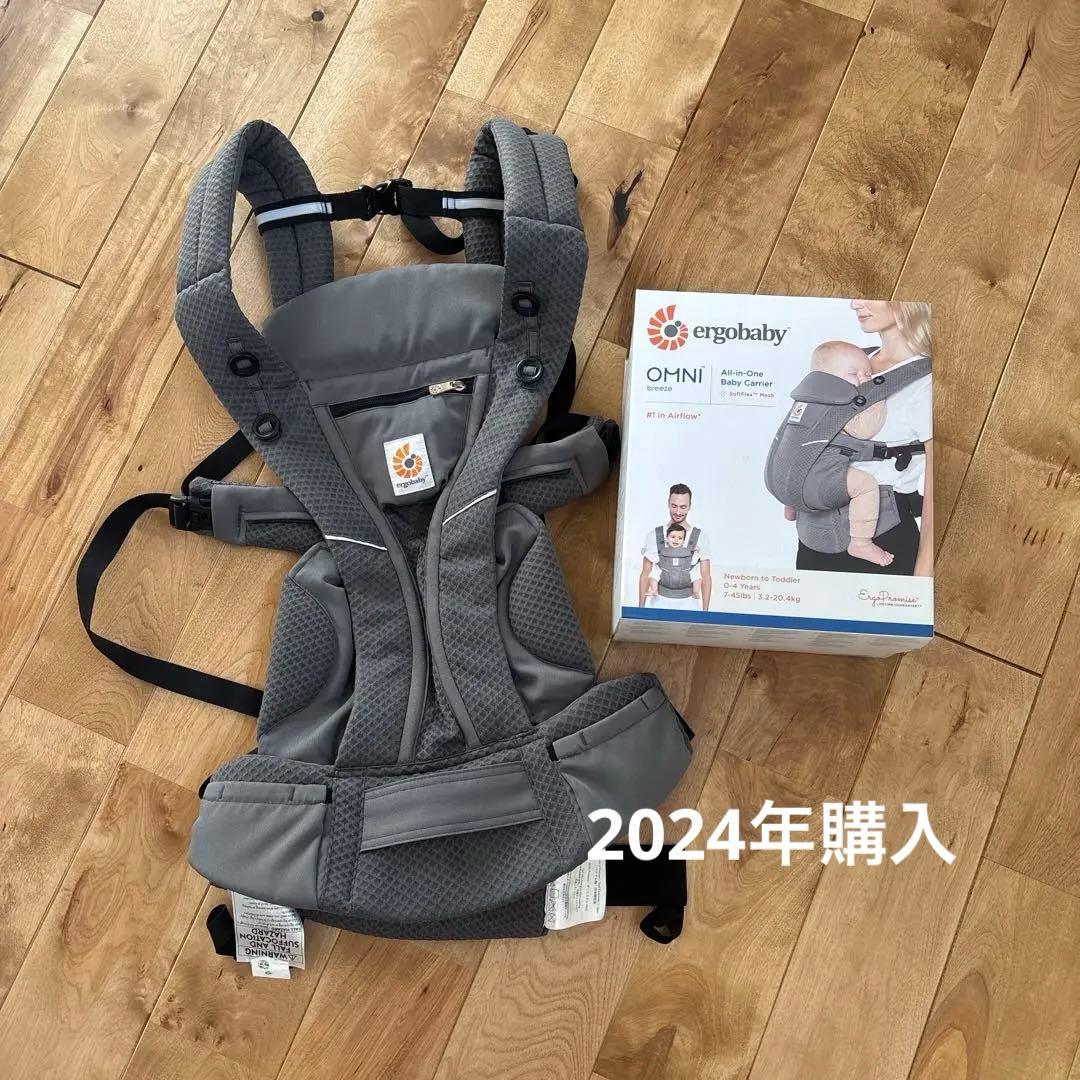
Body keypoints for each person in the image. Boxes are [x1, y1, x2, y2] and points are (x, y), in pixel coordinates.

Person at [795, 300, 933, 577]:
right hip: (813, 536)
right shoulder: (849, 361)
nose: (854, 303)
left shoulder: (926, 380)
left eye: (871, 295)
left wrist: (923, 577)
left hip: (882, 539)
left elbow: (937, 494)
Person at [783, 340, 894, 567]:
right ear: (825, 379)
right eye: (854, 373)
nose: (864, 379)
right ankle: (861, 543)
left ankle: (791, 507)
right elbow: (864, 429)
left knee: (793, 470)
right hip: (820, 474)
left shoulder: (805, 400)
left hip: (793, 473)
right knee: (865, 486)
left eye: (868, 373)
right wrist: (878, 398)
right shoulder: (839, 404)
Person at [639, 483, 712, 609]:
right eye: (674, 506)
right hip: (659, 602)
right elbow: (646, 572)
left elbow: (705, 575)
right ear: (668, 504)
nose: (678, 512)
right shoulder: (653, 535)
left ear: (690, 507)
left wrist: (705, 612)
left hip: (690, 603)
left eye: (683, 507)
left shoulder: (701, 537)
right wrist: (640, 608)